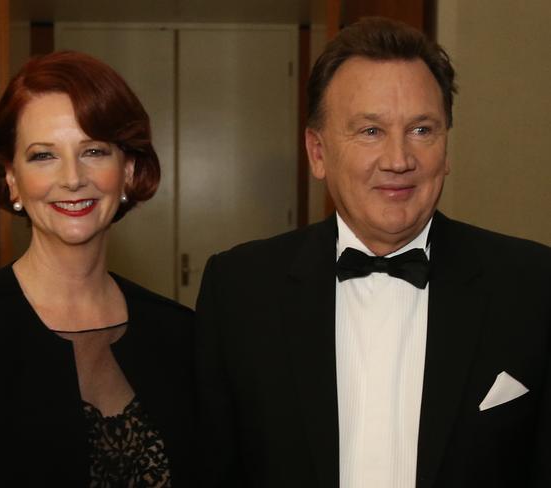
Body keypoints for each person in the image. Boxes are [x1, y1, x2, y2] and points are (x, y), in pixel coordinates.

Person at [195, 17, 551, 488]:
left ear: (446, 149)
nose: (399, 160)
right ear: (317, 152)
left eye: (422, 130)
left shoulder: (533, 286)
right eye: (370, 131)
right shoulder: (239, 289)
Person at [0, 51, 195, 487]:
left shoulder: (181, 334)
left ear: (128, 170)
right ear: (12, 177)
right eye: (43, 156)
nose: (73, 178)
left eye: (93, 150)